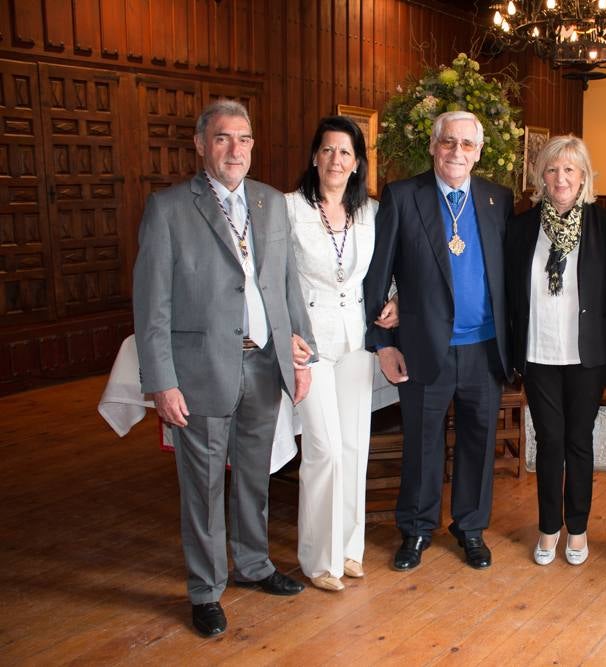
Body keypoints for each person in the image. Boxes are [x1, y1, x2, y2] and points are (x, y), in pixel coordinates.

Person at [133, 99, 316, 637]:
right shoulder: (167, 209)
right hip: (200, 371)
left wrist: (299, 353)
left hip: (264, 363)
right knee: (204, 486)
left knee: (255, 478)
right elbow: (152, 308)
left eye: (244, 139)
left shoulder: (269, 202)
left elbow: (287, 284)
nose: (235, 150)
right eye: (222, 139)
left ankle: (255, 566)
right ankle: (206, 589)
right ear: (200, 144)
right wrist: (161, 382)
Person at [363, 110, 513, 572]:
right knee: (423, 443)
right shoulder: (404, 196)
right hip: (423, 346)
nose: (457, 153)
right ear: (433, 146)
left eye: (467, 145)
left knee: (478, 441)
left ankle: (470, 528)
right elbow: (377, 276)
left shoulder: (497, 199)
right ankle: (416, 529)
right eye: (449, 142)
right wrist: (383, 342)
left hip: (485, 348)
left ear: (479, 152)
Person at [285, 116, 397, 592]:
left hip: (356, 340)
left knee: (354, 447)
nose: (336, 159)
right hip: (309, 343)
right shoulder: (288, 209)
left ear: (357, 164)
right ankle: (319, 559)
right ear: (314, 157)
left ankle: (350, 549)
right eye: (328, 150)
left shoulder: (370, 212)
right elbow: (274, 276)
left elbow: (389, 267)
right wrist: (285, 330)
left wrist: (397, 300)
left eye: (345, 152)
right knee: (324, 450)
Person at [505, 135, 606, 567]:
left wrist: (603, 337)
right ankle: (548, 526)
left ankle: (577, 529)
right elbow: (511, 293)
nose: (561, 177)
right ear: (542, 176)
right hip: (538, 352)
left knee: (579, 442)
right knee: (549, 441)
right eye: (553, 169)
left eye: (569, 169)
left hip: (586, 355)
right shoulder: (522, 228)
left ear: (583, 177)